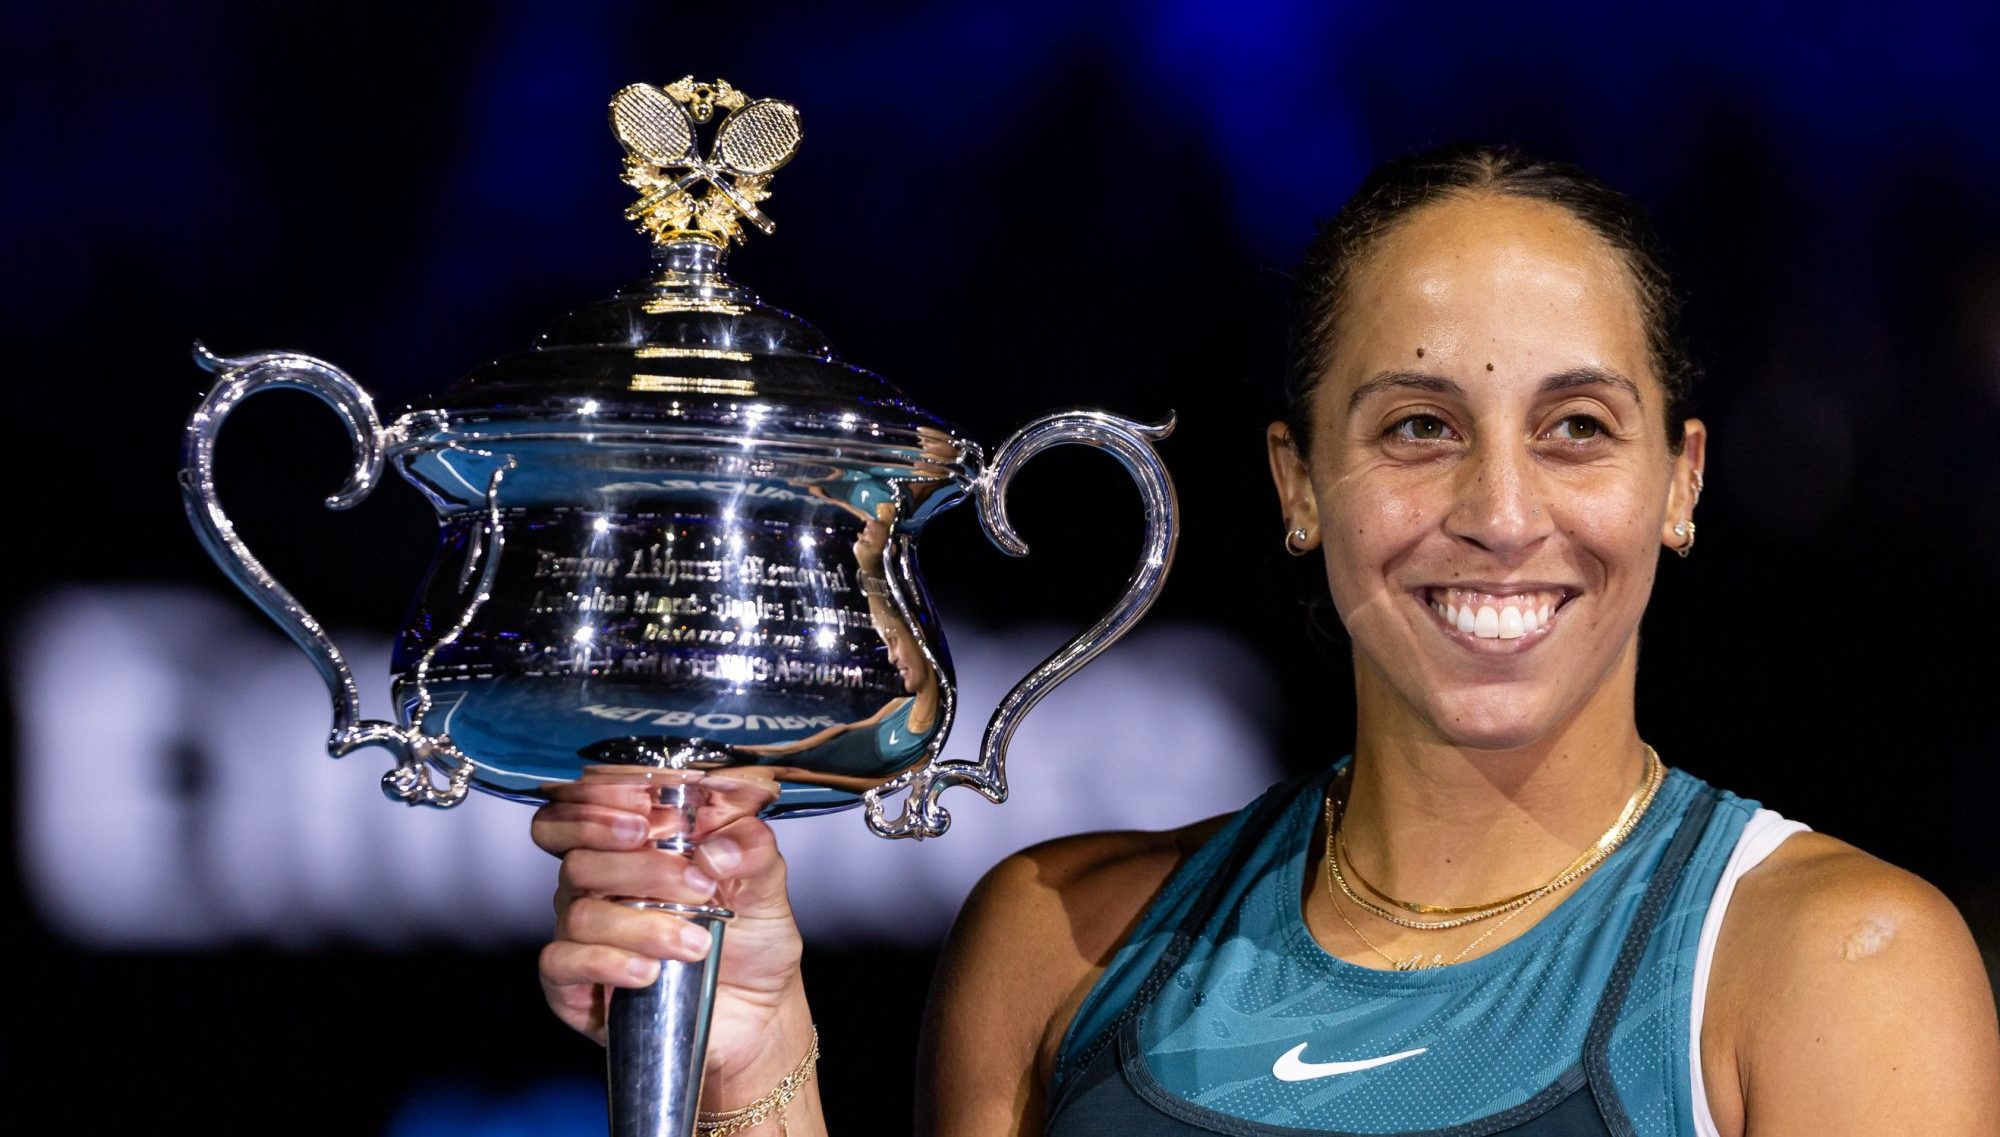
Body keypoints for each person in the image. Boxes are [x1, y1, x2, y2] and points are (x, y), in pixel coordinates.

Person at [530, 145, 2000, 1136]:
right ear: (1301, 483)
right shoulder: (1053, 947)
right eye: (1419, 427)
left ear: (1678, 481)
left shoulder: (1834, 967)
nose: (1501, 511)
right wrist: (749, 1062)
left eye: (1575, 429)